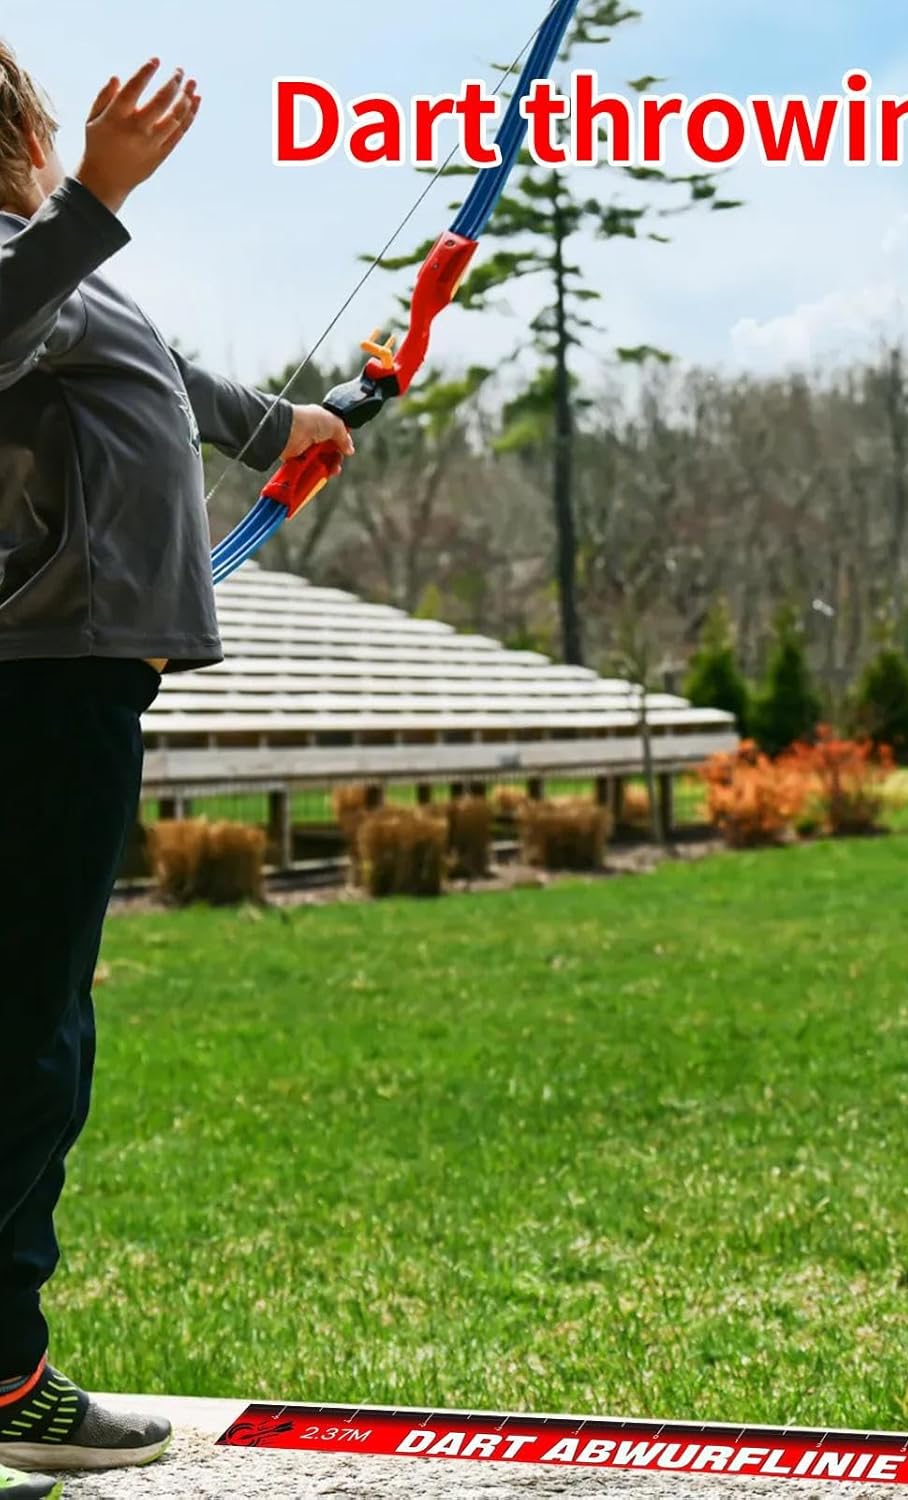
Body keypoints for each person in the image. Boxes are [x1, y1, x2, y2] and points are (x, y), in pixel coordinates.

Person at [0, 43, 354, 1494]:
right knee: (28, 1038)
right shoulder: (34, 250)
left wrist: (280, 426)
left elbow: (145, 363)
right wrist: (92, 198)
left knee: (41, 1026)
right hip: (39, 688)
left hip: (71, 685)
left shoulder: (49, 261)